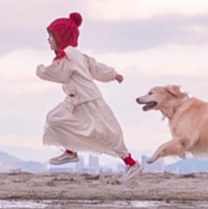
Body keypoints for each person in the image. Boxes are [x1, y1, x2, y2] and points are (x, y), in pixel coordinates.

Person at [36, 11, 139, 173]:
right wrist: (112, 74)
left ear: (60, 37)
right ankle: (70, 151)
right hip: (73, 101)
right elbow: (94, 67)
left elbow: (61, 73)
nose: (48, 40)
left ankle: (131, 163)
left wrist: (41, 71)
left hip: (88, 100)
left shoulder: (69, 56)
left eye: (51, 36)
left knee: (106, 133)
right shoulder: (74, 55)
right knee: (54, 119)